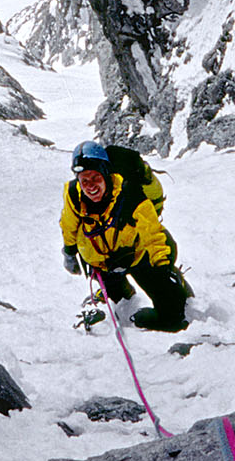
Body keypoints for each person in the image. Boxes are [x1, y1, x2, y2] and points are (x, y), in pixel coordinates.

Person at [59, 140, 190, 331]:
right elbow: (69, 225)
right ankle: (121, 295)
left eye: (95, 178)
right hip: (103, 263)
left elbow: (152, 234)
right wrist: (69, 252)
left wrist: (162, 268)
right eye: (84, 180)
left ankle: (174, 285)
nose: (90, 186)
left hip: (136, 255)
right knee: (120, 301)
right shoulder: (74, 195)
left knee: (173, 316)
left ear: (106, 173)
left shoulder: (130, 194)